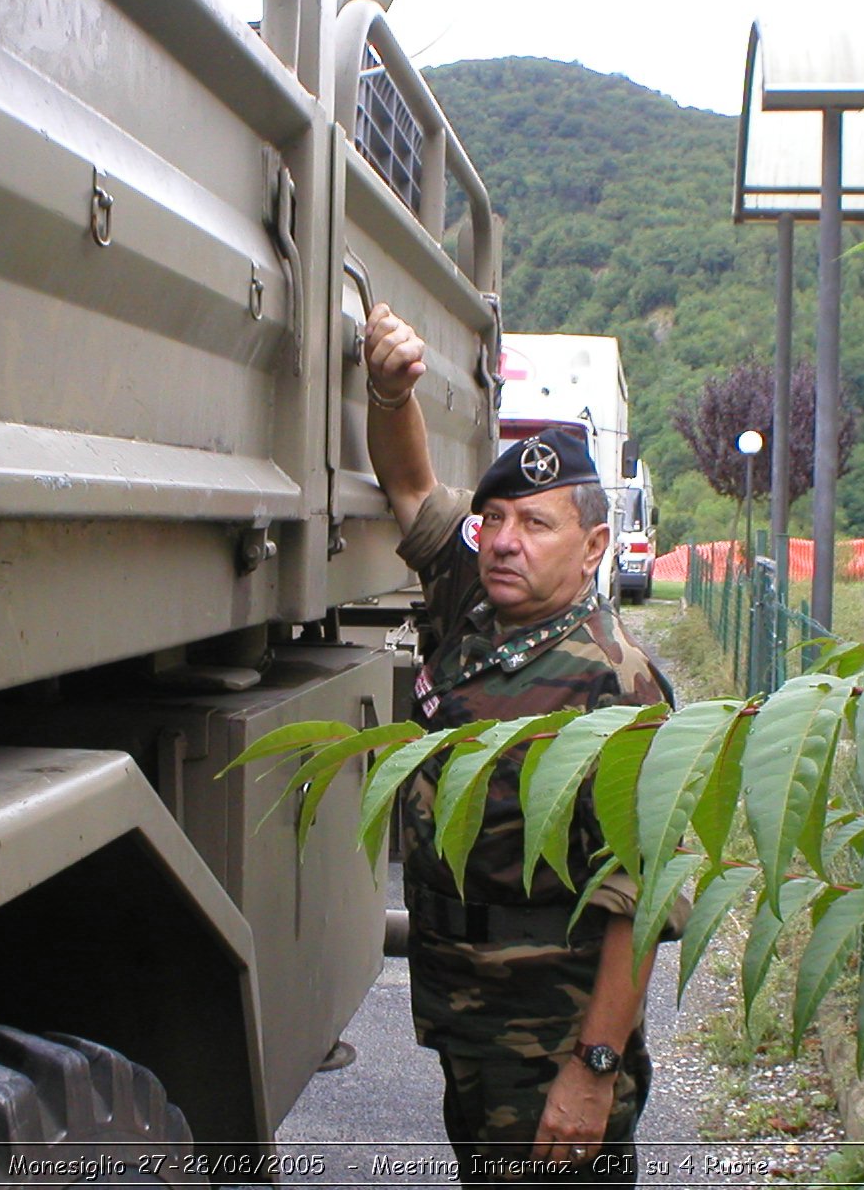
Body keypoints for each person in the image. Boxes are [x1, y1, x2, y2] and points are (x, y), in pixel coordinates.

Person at [362, 303, 685, 1186]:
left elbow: (641, 899)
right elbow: (412, 491)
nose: (504, 541)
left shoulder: (617, 684)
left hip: (551, 1038)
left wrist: (594, 1070)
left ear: (592, 549)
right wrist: (390, 395)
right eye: (495, 518)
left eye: (534, 525)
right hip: (468, 1017)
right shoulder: (477, 599)